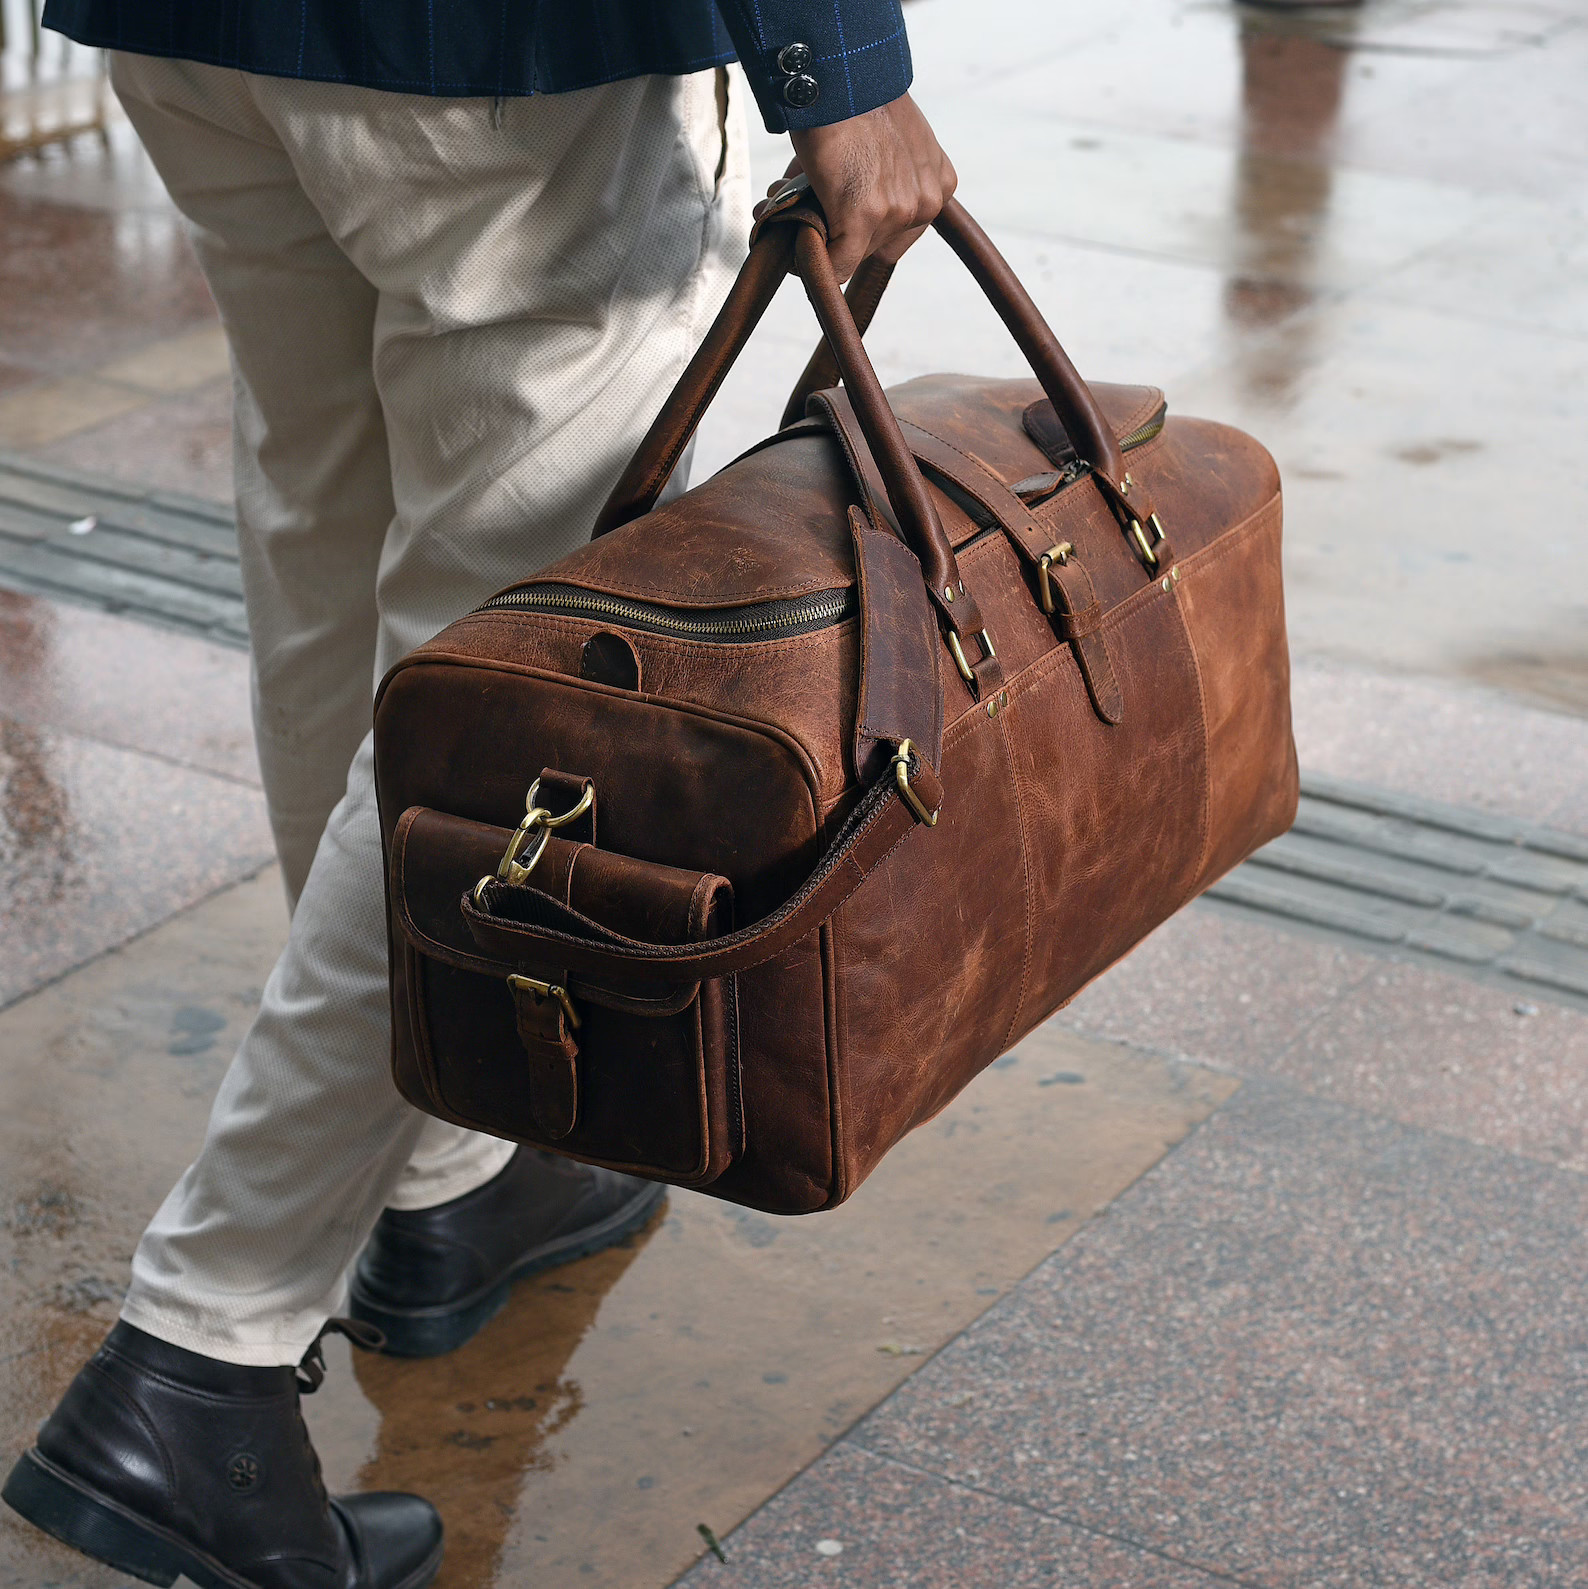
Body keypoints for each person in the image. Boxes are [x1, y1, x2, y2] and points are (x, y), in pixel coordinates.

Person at [1, 5, 956, 1585]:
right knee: (506, 703)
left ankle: (451, 1167)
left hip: (196, 28)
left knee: (335, 573)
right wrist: (842, 61)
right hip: (516, 66)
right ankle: (203, 1350)